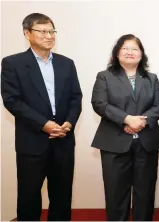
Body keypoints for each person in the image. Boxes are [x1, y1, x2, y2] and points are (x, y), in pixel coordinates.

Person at [1, 13, 82, 221]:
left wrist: (69, 123)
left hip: (63, 140)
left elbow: (76, 97)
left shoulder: (67, 63)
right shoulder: (13, 63)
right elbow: (12, 100)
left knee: (62, 197)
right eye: (42, 31)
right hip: (32, 141)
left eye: (52, 31)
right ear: (27, 33)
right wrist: (44, 124)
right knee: (29, 198)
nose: (49, 36)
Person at [91, 34, 159, 221]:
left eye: (135, 48)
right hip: (114, 143)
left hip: (146, 142)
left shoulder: (151, 78)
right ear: (117, 53)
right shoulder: (104, 77)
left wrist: (140, 122)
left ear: (141, 55)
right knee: (116, 194)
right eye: (125, 48)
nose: (130, 52)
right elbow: (99, 103)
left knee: (145, 193)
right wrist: (126, 119)